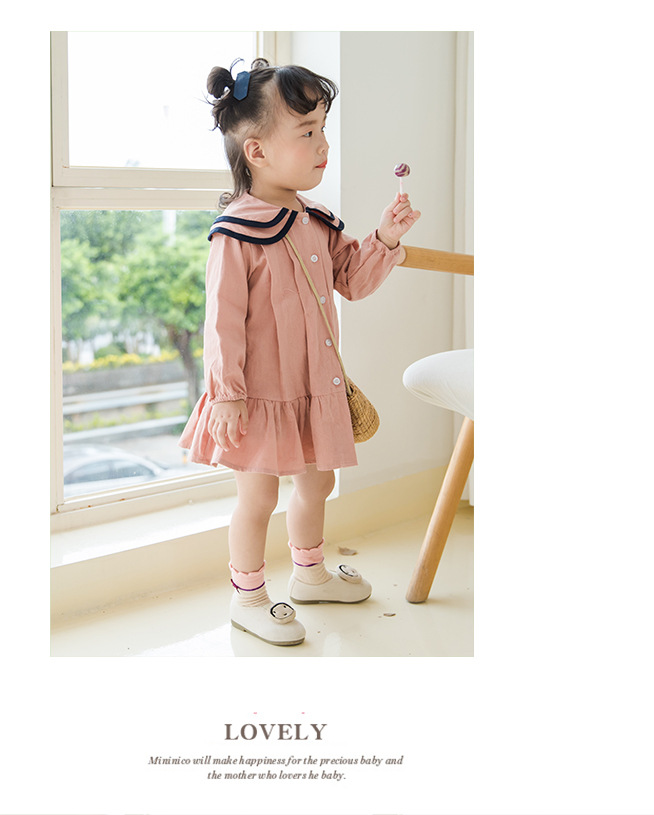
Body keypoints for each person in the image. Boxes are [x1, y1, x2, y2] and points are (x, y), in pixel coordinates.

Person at [179, 58, 421, 646]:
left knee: (317, 484)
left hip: (313, 391)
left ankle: (309, 574)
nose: (323, 145)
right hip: (258, 397)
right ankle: (248, 596)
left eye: (323, 129)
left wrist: (385, 238)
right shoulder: (236, 234)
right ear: (257, 151)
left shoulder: (315, 222)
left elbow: (352, 281)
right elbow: (222, 324)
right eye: (307, 132)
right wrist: (228, 395)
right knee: (258, 495)